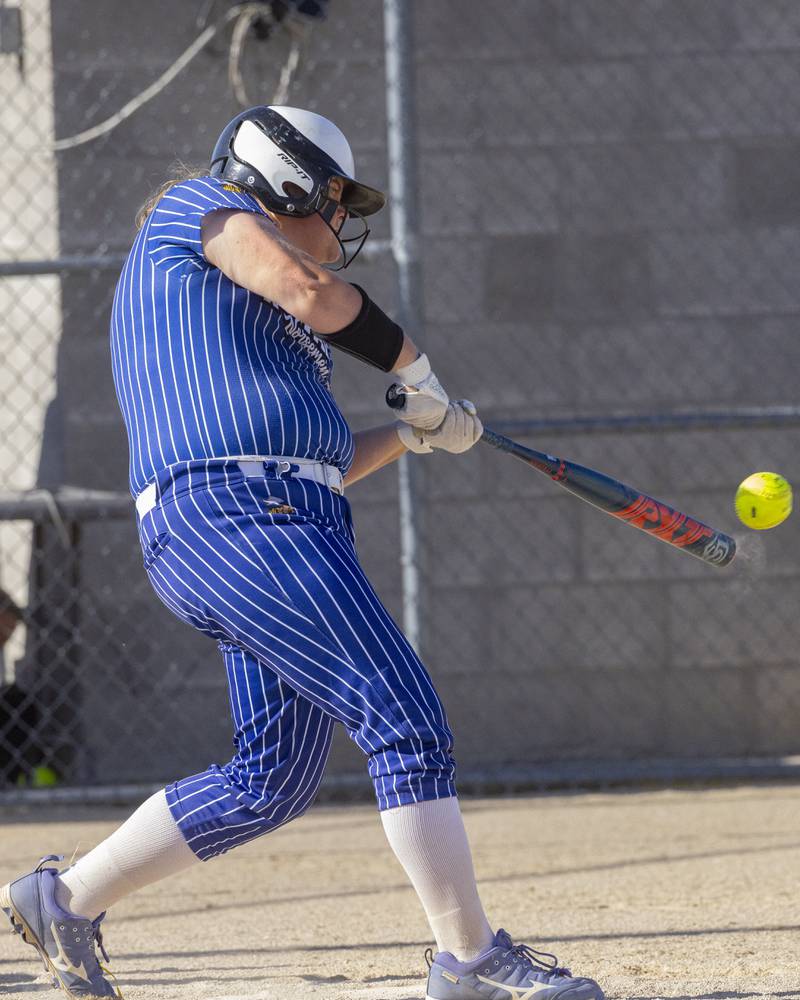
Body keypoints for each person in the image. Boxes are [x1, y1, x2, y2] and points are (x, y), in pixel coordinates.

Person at [1, 106, 604, 1000]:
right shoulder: (197, 211)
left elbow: (314, 459)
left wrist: (409, 431)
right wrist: (415, 366)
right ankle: (472, 961)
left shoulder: (259, 313)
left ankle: (65, 900)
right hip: (238, 515)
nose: (340, 227)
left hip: (276, 513)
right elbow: (315, 297)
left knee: (273, 776)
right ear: (282, 182)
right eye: (331, 203)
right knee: (402, 717)